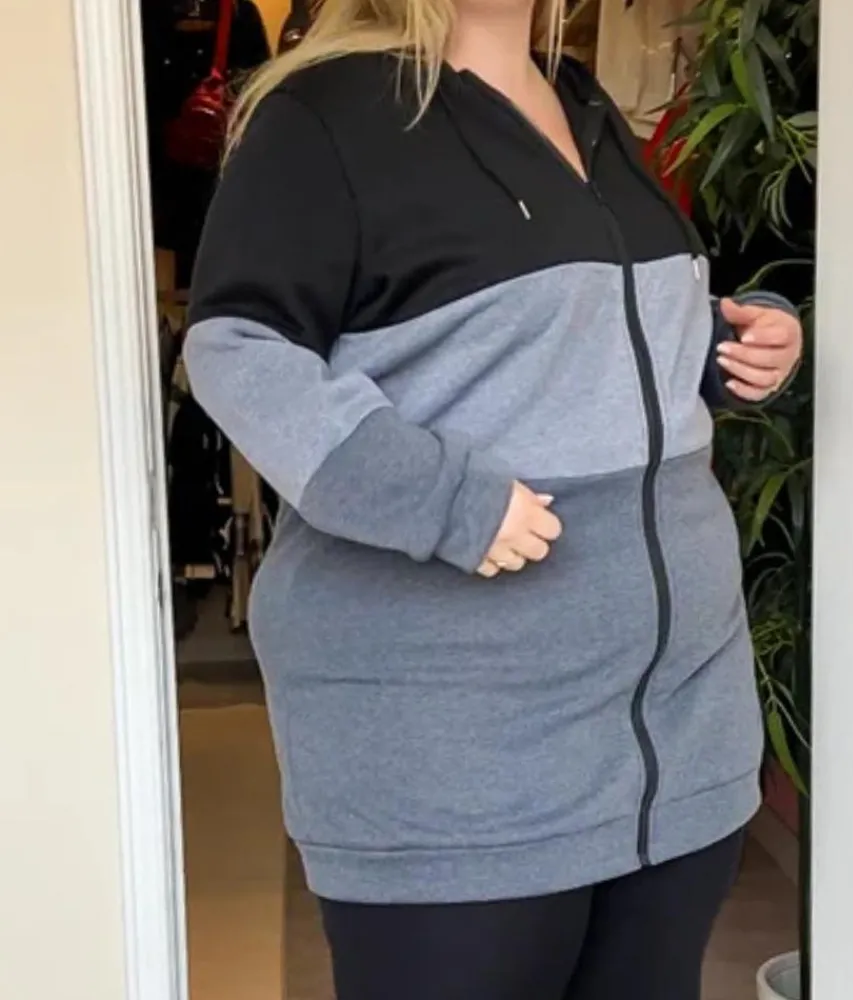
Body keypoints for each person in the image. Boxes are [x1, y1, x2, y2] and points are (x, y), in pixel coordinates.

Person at [182, 0, 804, 994]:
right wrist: (442, 498)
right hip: (457, 757)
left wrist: (732, 344)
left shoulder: (581, 104)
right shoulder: (329, 115)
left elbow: (590, 335)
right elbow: (238, 349)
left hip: (679, 742)